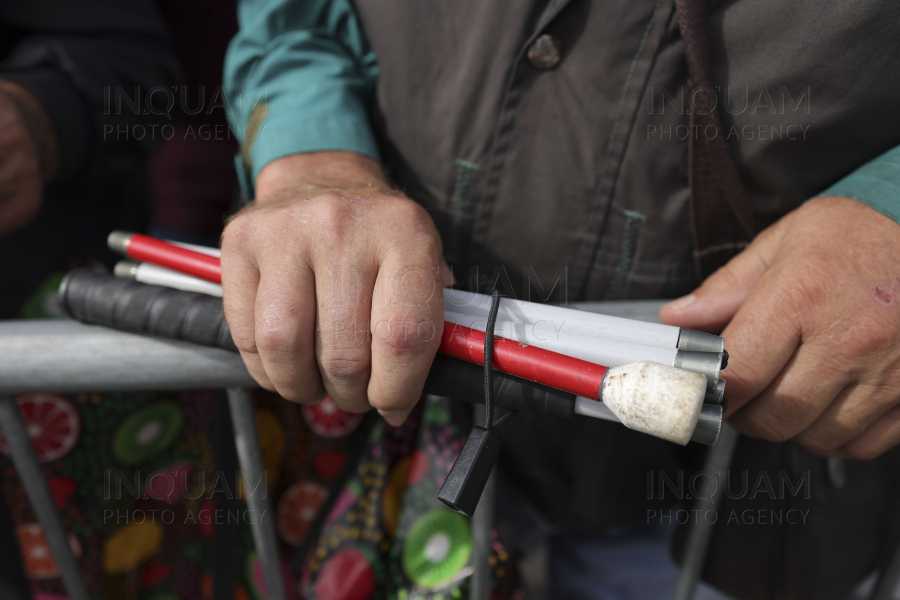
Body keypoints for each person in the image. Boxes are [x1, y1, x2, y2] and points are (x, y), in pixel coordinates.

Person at [221, 0, 900, 597]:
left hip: (738, 499)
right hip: (396, 449)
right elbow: (296, 18)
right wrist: (312, 156)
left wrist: (889, 211)